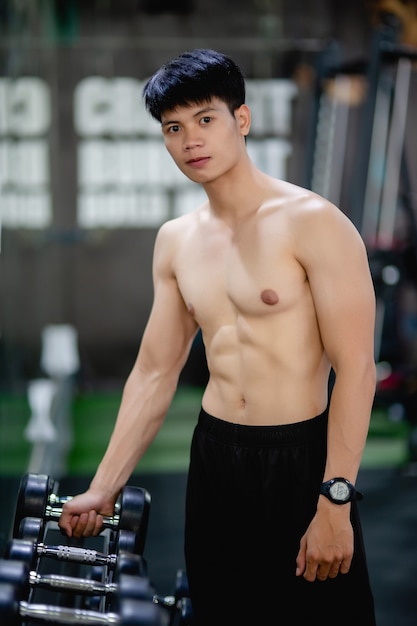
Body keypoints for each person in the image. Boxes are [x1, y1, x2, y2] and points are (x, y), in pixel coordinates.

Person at [59, 49, 377, 625]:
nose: (190, 141)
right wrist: (103, 487)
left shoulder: (314, 223)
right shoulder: (176, 241)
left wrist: (335, 499)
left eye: (206, 119)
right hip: (215, 459)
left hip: (300, 460)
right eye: (173, 128)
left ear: (243, 120)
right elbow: (156, 371)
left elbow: (356, 368)